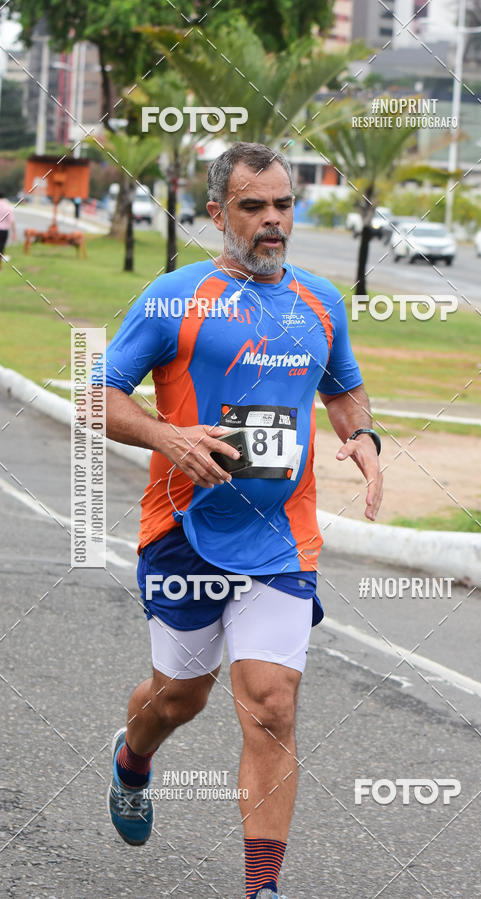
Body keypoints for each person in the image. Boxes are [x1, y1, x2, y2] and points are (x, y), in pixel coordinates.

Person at [98, 141, 383, 899]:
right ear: (217, 212)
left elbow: (343, 388)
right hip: (183, 532)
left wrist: (362, 438)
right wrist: (167, 436)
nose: (272, 221)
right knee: (178, 698)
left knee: (271, 701)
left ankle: (262, 888)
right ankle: (132, 758)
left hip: (282, 537)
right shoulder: (172, 298)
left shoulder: (321, 300)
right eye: (253, 206)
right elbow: (105, 396)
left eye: (283, 205)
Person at [0, 192, 17, 267]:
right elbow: (12, 221)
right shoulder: (7, 206)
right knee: (1, 246)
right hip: (3, 231)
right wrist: (14, 233)